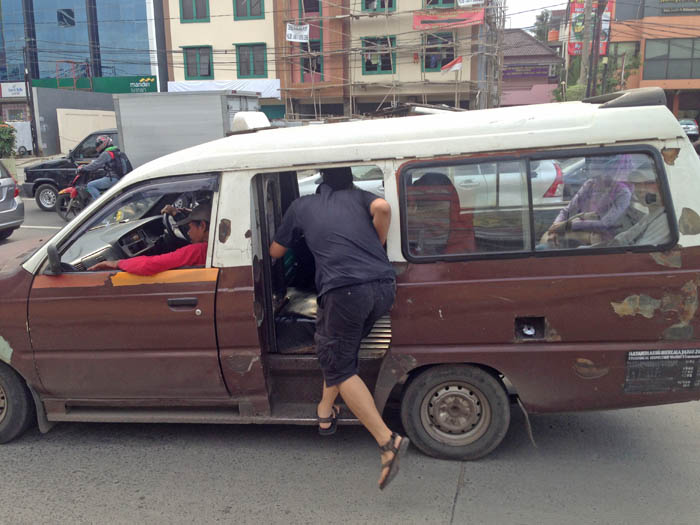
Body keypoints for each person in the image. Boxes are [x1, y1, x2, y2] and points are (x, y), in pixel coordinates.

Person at [269, 167, 409, 491]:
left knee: (339, 364)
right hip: (383, 286)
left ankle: (388, 443)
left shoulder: (302, 206)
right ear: (350, 180)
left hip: (345, 291)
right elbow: (384, 209)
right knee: (340, 353)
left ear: (321, 182)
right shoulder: (361, 198)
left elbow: (275, 252)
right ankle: (324, 412)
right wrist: (377, 241)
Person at [88, 202, 211, 275]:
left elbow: (152, 264)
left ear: (203, 226)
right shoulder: (212, 248)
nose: (188, 231)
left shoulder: (199, 251)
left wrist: (116, 263)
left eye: (189, 227)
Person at [541, 156, 633, 248]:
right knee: (546, 241)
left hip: (603, 238)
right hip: (580, 232)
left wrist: (568, 225)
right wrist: (554, 228)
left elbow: (604, 224)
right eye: (592, 161)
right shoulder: (590, 184)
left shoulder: (622, 193)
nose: (591, 165)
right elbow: (566, 211)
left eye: (597, 162)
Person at [608, 170, 671, 247]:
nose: (641, 189)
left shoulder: (664, 219)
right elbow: (624, 238)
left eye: (649, 183)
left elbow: (642, 250)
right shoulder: (650, 216)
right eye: (637, 184)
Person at [81, 135, 131, 201]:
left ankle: (99, 205)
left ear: (104, 143)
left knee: (90, 185)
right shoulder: (116, 151)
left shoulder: (106, 154)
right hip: (120, 177)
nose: (97, 146)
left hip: (113, 179)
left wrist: (83, 168)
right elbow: (109, 164)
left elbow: (95, 165)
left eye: (98, 144)